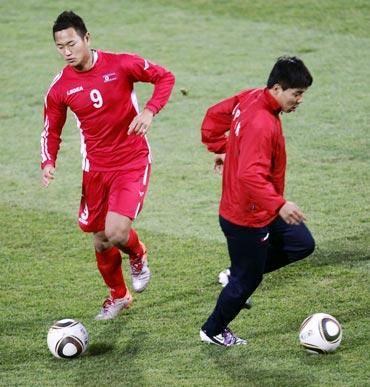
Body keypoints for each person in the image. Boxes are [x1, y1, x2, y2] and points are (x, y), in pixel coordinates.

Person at [40, 11, 175, 320]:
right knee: (100, 240)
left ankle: (138, 253)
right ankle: (119, 295)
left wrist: (150, 111)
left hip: (131, 161)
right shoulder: (60, 87)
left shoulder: (122, 64)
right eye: (60, 47)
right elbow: (51, 128)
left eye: (72, 44)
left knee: (116, 232)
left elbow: (165, 77)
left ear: (87, 38)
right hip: (95, 170)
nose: (67, 52)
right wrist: (48, 161)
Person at [199, 56, 315, 346]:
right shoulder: (263, 123)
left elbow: (213, 115)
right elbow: (250, 176)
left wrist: (223, 147)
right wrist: (280, 204)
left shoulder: (252, 96)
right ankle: (212, 330)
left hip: (261, 206)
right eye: (296, 93)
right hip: (246, 216)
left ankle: (234, 272)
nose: (299, 100)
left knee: (302, 243)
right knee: (246, 282)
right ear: (277, 88)